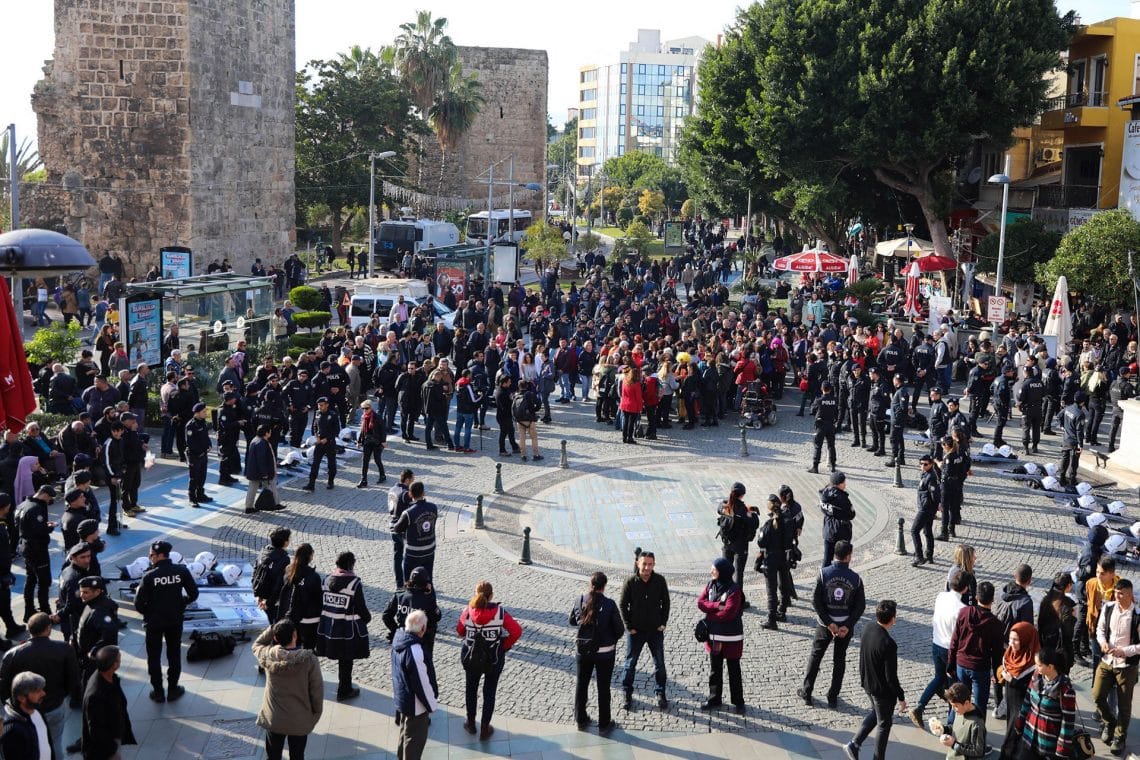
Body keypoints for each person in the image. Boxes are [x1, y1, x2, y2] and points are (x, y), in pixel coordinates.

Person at [800, 539, 865, 709]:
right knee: (839, 660)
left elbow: (815, 600)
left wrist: (829, 623)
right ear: (848, 556)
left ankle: (807, 692)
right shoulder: (856, 579)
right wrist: (847, 625)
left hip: (824, 624)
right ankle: (833, 696)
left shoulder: (823, 573)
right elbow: (860, 606)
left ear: (834, 554)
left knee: (816, 656)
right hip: (844, 625)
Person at [133, 540, 198, 702]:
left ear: (160, 555)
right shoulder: (181, 571)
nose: (150, 558)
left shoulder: (149, 576)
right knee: (174, 654)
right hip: (174, 619)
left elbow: (138, 604)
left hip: (154, 622)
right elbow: (194, 593)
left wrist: (150, 612)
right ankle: (173, 688)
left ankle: (158, 691)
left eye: (151, 555)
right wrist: (181, 603)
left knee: (153, 657)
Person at [457, 581, 523, 740]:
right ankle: (485, 728)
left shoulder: (468, 611)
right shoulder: (500, 613)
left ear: (475, 593)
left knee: (471, 689)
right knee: (489, 692)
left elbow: (460, 630)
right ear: (491, 595)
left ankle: (471, 723)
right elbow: (516, 631)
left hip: (471, 657)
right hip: (493, 658)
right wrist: (503, 647)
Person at [844, 600, 906, 760]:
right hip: (881, 691)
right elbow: (891, 677)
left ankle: (855, 744)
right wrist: (901, 696)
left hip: (867, 683)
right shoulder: (888, 644)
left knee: (876, 712)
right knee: (884, 724)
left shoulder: (868, 627)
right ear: (893, 619)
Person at [253, 619, 323, 760]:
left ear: (275, 638)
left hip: (274, 718)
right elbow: (316, 691)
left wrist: (273, 628)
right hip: (299, 718)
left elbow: (257, 644)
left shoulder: (268, 654)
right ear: (295, 635)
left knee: (273, 756)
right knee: (297, 756)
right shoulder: (309, 660)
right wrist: (315, 714)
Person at [569, 571, 624, 732]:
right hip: (605, 653)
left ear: (590, 584)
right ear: (604, 586)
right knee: (603, 687)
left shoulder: (580, 600)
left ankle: (580, 719)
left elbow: (572, 620)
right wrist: (610, 639)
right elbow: (619, 629)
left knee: (581, 684)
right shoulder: (609, 604)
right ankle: (604, 723)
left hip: (583, 650)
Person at [1093, 578, 1140, 755]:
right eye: (1116, 593)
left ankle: (1120, 737)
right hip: (1107, 660)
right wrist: (1103, 642)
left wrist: (1124, 651)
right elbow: (1100, 629)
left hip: (1126, 666)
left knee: (1124, 704)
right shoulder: (1108, 607)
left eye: (1122, 593)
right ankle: (1110, 722)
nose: (1117, 596)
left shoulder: (1137, 615)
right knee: (1097, 695)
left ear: (1130, 594)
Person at [315, 551, 371, 701]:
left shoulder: (326, 580)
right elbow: (361, 607)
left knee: (340, 657)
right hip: (347, 629)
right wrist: (367, 619)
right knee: (346, 660)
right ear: (350, 565)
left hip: (329, 627)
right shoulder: (354, 583)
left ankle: (342, 688)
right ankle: (344, 689)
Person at [619, 550, 671, 711]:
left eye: (650, 564)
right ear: (638, 564)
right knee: (630, 664)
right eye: (644, 564)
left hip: (655, 631)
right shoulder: (630, 582)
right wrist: (629, 626)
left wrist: (663, 623)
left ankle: (660, 692)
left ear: (654, 564)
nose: (647, 568)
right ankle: (627, 693)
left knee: (659, 664)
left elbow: (666, 603)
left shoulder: (660, 580)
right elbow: (622, 605)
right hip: (636, 632)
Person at [947, 581, 1004, 721]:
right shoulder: (996, 624)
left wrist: (950, 663)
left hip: (961, 664)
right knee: (980, 705)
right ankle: (978, 736)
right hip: (980, 668)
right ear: (992, 599)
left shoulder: (964, 612)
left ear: (977, 597)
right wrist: (997, 674)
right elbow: (997, 654)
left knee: (959, 700)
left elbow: (955, 639)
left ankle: (956, 729)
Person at [697, 557, 746, 714]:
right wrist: (717, 606)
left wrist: (710, 615)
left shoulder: (734, 590)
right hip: (715, 637)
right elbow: (700, 602)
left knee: (734, 669)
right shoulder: (711, 585)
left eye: (714, 569)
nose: (711, 571)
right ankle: (714, 698)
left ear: (722, 572)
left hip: (731, 638)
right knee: (715, 670)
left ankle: (738, 702)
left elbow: (729, 613)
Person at [1010, 648, 1077, 760]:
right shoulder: (1036, 676)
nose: (1036, 668)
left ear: (1050, 667)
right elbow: (1027, 702)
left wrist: (1062, 750)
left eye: (1039, 665)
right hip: (1029, 736)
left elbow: (1067, 723)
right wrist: (1019, 723)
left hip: (1048, 744)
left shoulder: (1065, 690)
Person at [392, 610, 440, 760]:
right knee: (414, 743)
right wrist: (432, 704)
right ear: (423, 629)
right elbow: (422, 683)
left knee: (404, 735)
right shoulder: (415, 651)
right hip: (416, 705)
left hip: (403, 698)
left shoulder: (398, 640)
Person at [81, 645, 137, 760]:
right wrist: (112, 749)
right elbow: (96, 730)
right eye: (119, 658)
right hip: (106, 749)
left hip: (113, 734)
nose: (121, 660)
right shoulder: (96, 695)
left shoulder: (108, 677)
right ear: (114, 665)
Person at [16, 485, 57, 622]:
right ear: (44, 494)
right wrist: (49, 527)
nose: (49, 501)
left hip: (26, 547)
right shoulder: (35, 508)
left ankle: (29, 610)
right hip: (37, 549)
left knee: (30, 579)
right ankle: (45, 611)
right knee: (44, 581)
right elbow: (40, 530)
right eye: (49, 498)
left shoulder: (22, 505)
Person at [382, 566, 442, 658]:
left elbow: (386, 616)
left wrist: (396, 631)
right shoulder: (427, 600)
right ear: (426, 584)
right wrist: (430, 596)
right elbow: (436, 617)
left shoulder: (399, 595)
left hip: (402, 639)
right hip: (422, 643)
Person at [755, 494, 791, 630]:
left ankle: (771, 619)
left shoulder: (769, 524)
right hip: (784, 557)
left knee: (771, 589)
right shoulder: (787, 520)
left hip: (771, 558)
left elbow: (761, 542)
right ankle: (782, 611)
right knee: (784, 583)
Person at [999, 621, 1040, 738]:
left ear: (1026, 639)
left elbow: (1035, 692)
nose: (1011, 643)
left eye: (1016, 640)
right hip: (1010, 703)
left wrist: (1012, 681)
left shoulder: (1035, 663)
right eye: (1010, 639)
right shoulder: (1009, 653)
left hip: (1024, 707)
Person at [277, 543, 322, 650]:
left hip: (291, 617)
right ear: (310, 556)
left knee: (292, 647)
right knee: (308, 649)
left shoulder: (289, 570)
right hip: (309, 620)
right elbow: (319, 599)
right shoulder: (313, 576)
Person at [717, 482, 758, 597]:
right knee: (738, 573)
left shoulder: (725, 505)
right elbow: (755, 522)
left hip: (727, 543)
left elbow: (719, 509)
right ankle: (737, 600)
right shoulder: (744, 511)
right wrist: (750, 511)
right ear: (742, 495)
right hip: (740, 546)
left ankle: (723, 596)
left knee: (725, 571)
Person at [392, 481, 438, 582]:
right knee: (428, 579)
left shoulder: (408, 513)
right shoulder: (433, 508)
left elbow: (397, 528)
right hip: (429, 550)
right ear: (424, 493)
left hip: (413, 552)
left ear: (410, 494)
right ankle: (429, 596)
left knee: (409, 582)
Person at [1, 671, 53, 759]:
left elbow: (47, 742)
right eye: (37, 691)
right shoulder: (12, 730)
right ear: (21, 698)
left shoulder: (37, 710)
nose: (43, 693)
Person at [935, 682, 987, 760]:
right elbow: (956, 728)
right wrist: (944, 729)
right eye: (952, 705)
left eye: (955, 706)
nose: (953, 709)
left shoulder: (977, 724)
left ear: (966, 703)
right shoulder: (960, 711)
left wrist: (954, 744)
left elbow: (978, 751)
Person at [254, 528, 292, 625]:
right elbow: (279, 583)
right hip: (272, 600)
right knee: (273, 624)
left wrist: (258, 594)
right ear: (285, 542)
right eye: (289, 539)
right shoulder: (284, 559)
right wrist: (269, 603)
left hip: (261, 593)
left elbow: (255, 571)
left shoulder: (264, 551)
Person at [302, 397, 340, 491]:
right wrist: (316, 436)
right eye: (319, 405)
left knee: (331, 463)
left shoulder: (333, 415)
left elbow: (336, 431)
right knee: (315, 463)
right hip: (319, 442)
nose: (320, 407)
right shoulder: (317, 413)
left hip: (329, 443)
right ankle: (311, 483)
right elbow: (315, 426)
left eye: (322, 405)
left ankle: (330, 481)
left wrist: (327, 439)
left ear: (327, 405)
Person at [911, 454, 942, 567]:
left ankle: (919, 556)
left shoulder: (931, 477)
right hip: (927, 508)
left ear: (931, 464)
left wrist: (937, 506)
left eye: (925, 464)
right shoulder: (925, 474)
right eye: (921, 464)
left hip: (926, 509)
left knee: (914, 531)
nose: (922, 466)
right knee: (927, 532)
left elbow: (935, 494)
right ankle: (929, 555)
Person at [820, 472, 855, 567]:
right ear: (838, 484)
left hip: (828, 530)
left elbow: (823, 509)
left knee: (827, 559)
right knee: (842, 559)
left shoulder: (824, 493)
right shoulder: (842, 498)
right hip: (841, 531)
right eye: (843, 482)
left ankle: (824, 578)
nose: (845, 484)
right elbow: (851, 514)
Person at [245, 424, 282, 514]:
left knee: (254, 488)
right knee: (255, 488)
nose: (271, 433)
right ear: (266, 433)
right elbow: (262, 460)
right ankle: (250, 507)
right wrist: (265, 473)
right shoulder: (261, 443)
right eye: (269, 431)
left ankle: (251, 506)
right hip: (259, 471)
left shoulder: (256, 440)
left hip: (254, 470)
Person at [185, 402, 213, 508]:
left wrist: (209, 445)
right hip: (195, 456)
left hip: (203, 455)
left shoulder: (202, 422)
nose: (206, 413)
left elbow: (206, 437)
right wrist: (201, 451)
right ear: (197, 413)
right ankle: (192, 498)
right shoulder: (191, 425)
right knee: (194, 478)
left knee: (202, 476)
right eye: (204, 412)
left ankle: (200, 494)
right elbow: (191, 443)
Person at [809, 380, 840, 473]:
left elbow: (812, 411)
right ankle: (833, 466)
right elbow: (837, 413)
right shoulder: (835, 400)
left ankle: (815, 466)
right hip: (831, 425)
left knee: (818, 446)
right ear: (830, 389)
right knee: (831, 446)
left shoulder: (818, 400)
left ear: (821, 389)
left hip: (820, 425)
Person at [357, 400, 387, 487]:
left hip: (377, 442)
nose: (365, 410)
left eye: (367, 408)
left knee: (377, 460)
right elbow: (362, 430)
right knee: (365, 461)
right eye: (363, 408)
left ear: (371, 408)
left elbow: (383, 430)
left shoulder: (377, 417)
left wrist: (383, 441)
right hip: (367, 441)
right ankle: (364, 480)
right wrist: (359, 441)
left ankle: (382, 475)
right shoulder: (364, 417)